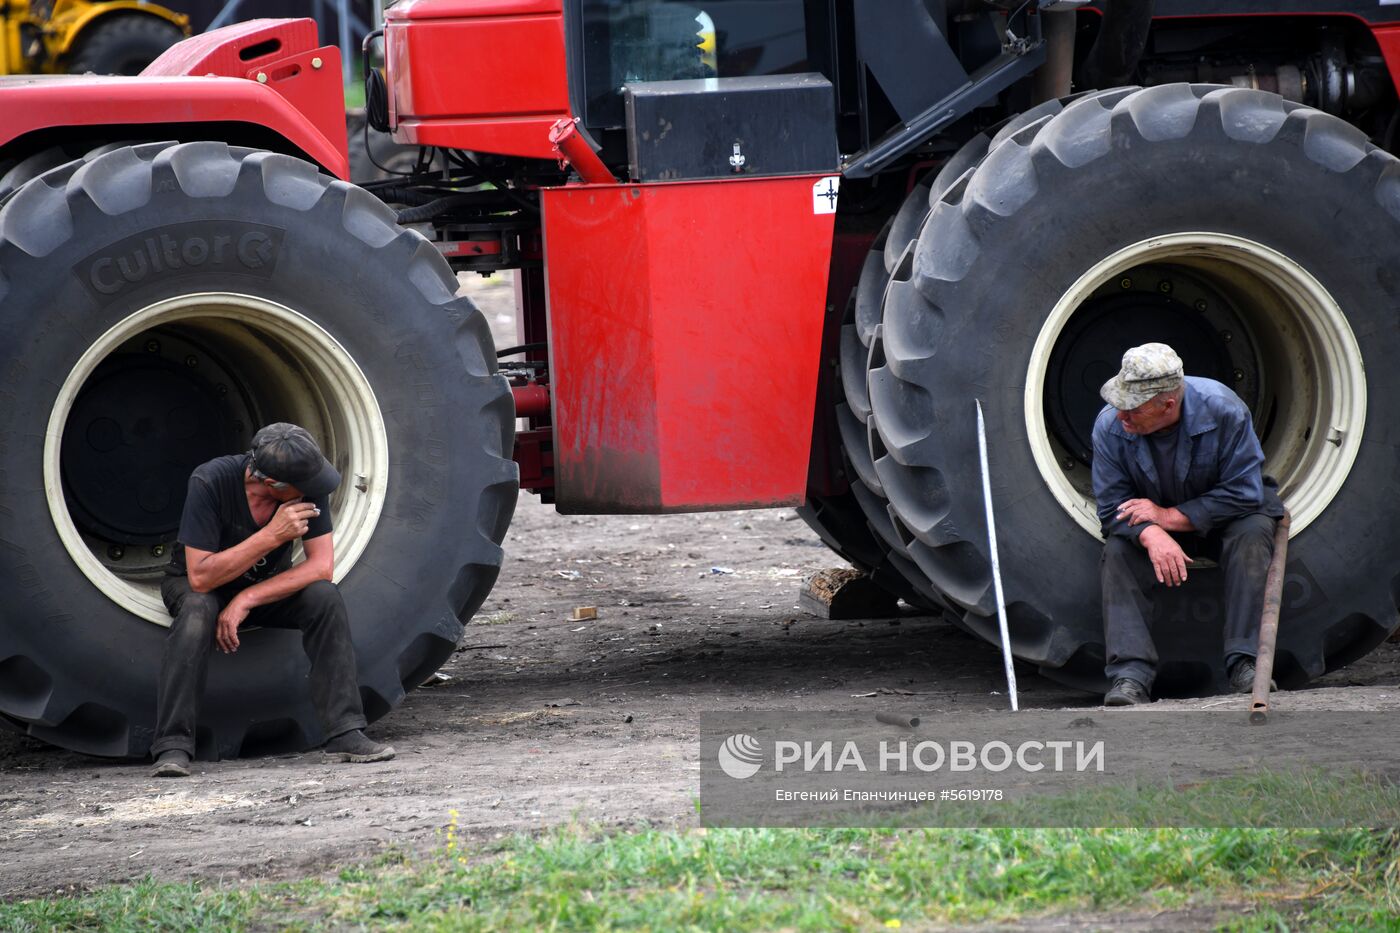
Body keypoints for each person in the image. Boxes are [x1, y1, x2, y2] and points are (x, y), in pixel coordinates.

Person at [150, 423, 394, 776]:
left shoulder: (307, 485)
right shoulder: (210, 481)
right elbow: (200, 577)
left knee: (323, 597)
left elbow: (321, 567)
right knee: (197, 610)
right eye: (305, 487)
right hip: (196, 585)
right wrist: (271, 536)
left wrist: (247, 598)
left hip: (259, 587)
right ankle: (172, 747)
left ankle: (344, 731)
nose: (315, 491)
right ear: (271, 484)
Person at [1091, 343, 1284, 706]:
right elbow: (1111, 508)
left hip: (1224, 520)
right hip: (1150, 524)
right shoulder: (1110, 427)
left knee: (1253, 533)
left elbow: (1245, 493)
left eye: (1133, 407)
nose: (1122, 416)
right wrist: (1151, 534)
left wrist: (1167, 517)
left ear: (1168, 404)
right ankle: (1130, 676)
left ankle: (1246, 663)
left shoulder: (1223, 410)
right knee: (1117, 552)